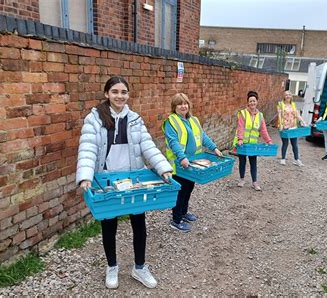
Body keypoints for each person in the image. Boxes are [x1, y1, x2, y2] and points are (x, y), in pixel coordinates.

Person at [76, 76, 173, 289]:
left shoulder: (135, 119)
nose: (120, 96)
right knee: (108, 226)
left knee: (139, 224)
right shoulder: (94, 119)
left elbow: (148, 146)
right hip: (107, 181)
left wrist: (164, 168)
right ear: (107, 94)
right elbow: (88, 147)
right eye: (115, 92)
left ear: (128, 95)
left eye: (123, 92)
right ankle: (112, 267)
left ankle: (139, 267)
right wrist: (85, 175)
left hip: (133, 179)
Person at [163, 93, 223, 232]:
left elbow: (203, 137)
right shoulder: (171, 121)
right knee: (181, 191)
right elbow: (173, 142)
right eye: (179, 104)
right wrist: (182, 157)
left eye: (185, 103)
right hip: (180, 164)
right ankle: (176, 220)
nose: (183, 106)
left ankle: (183, 213)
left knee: (189, 188)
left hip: (193, 163)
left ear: (189, 105)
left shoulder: (193, 120)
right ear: (174, 107)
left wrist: (214, 148)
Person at [234, 91, 273, 191]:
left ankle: (254, 182)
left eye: (254, 101)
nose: (252, 103)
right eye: (250, 101)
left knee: (253, 162)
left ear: (257, 102)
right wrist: (240, 139)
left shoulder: (260, 116)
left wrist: (268, 141)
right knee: (242, 161)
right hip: (243, 143)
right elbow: (241, 127)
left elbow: (263, 130)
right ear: (248, 102)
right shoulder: (243, 113)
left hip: (253, 144)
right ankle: (242, 179)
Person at [277, 90, 306, 166]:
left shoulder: (293, 104)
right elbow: (279, 115)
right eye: (286, 95)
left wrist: (303, 121)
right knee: (285, 143)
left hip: (293, 127)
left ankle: (297, 159)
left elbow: (297, 115)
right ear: (284, 96)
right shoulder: (280, 104)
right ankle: (283, 159)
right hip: (285, 127)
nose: (288, 96)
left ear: (291, 96)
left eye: (289, 94)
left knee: (294, 144)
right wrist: (280, 124)